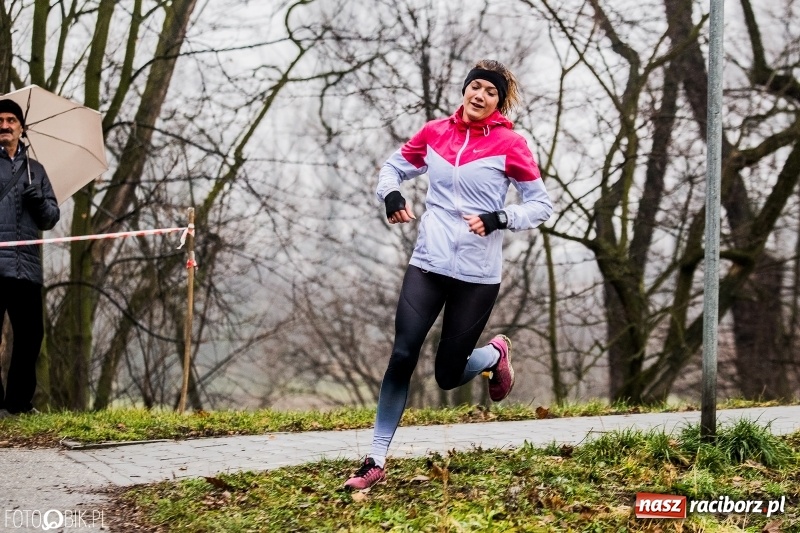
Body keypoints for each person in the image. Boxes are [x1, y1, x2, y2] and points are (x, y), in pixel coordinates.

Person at [344, 60, 553, 490]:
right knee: (402, 354)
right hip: (428, 263)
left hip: (477, 275)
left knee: (447, 375)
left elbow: (540, 205)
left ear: (499, 102)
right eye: (476, 86)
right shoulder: (435, 132)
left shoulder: (510, 144)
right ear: (465, 90)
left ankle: (493, 356)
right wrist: (391, 194)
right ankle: (374, 460)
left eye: (490, 92)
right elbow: (391, 168)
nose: (480, 95)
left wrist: (500, 217)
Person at [0, 98, 60, 417]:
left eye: (11, 120)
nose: (4, 125)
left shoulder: (35, 170)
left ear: (21, 127)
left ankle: (19, 404)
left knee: (31, 336)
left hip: (27, 267)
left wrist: (38, 202)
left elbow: (50, 218)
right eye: (0, 121)